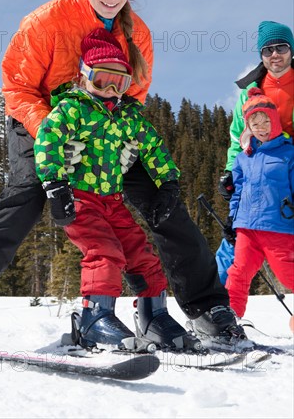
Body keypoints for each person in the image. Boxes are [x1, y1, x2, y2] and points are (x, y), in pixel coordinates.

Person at [0, 0, 244, 348]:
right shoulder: (47, 21)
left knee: (163, 201)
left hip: (107, 129)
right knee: (29, 189)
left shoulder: (139, 35)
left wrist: (132, 149)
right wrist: (52, 135)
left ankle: (206, 307)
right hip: (42, 117)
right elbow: (17, 87)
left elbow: (133, 98)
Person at [34, 28, 202, 352]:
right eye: (101, 80)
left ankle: (154, 319)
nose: (110, 90)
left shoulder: (128, 117)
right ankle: (94, 320)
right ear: (84, 78)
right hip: (81, 199)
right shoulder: (72, 109)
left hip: (114, 201)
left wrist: (168, 183)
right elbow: (48, 140)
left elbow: (154, 146)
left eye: (119, 82)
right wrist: (55, 185)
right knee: (104, 252)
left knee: (144, 257)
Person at [216, 21, 294, 284]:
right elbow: (238, 136)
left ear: (291, 49)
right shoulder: (250, 91)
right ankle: (213, 307)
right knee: (237, 239)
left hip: (289, 169)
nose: (274, 54)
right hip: (258, 173)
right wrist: (230, 171)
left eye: (281, 47)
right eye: (267, 50)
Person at [223, 88, 294, 318]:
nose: (261, 127)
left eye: (266, 121)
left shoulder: (288, 153)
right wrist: (232, 220)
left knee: (288, 275)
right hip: (247, 228)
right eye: (255, 123)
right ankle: (230, 321)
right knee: (238, 273)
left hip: (278, 226)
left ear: (274, 121)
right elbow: (238, 192)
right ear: (248, 127)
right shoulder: (244, 158)